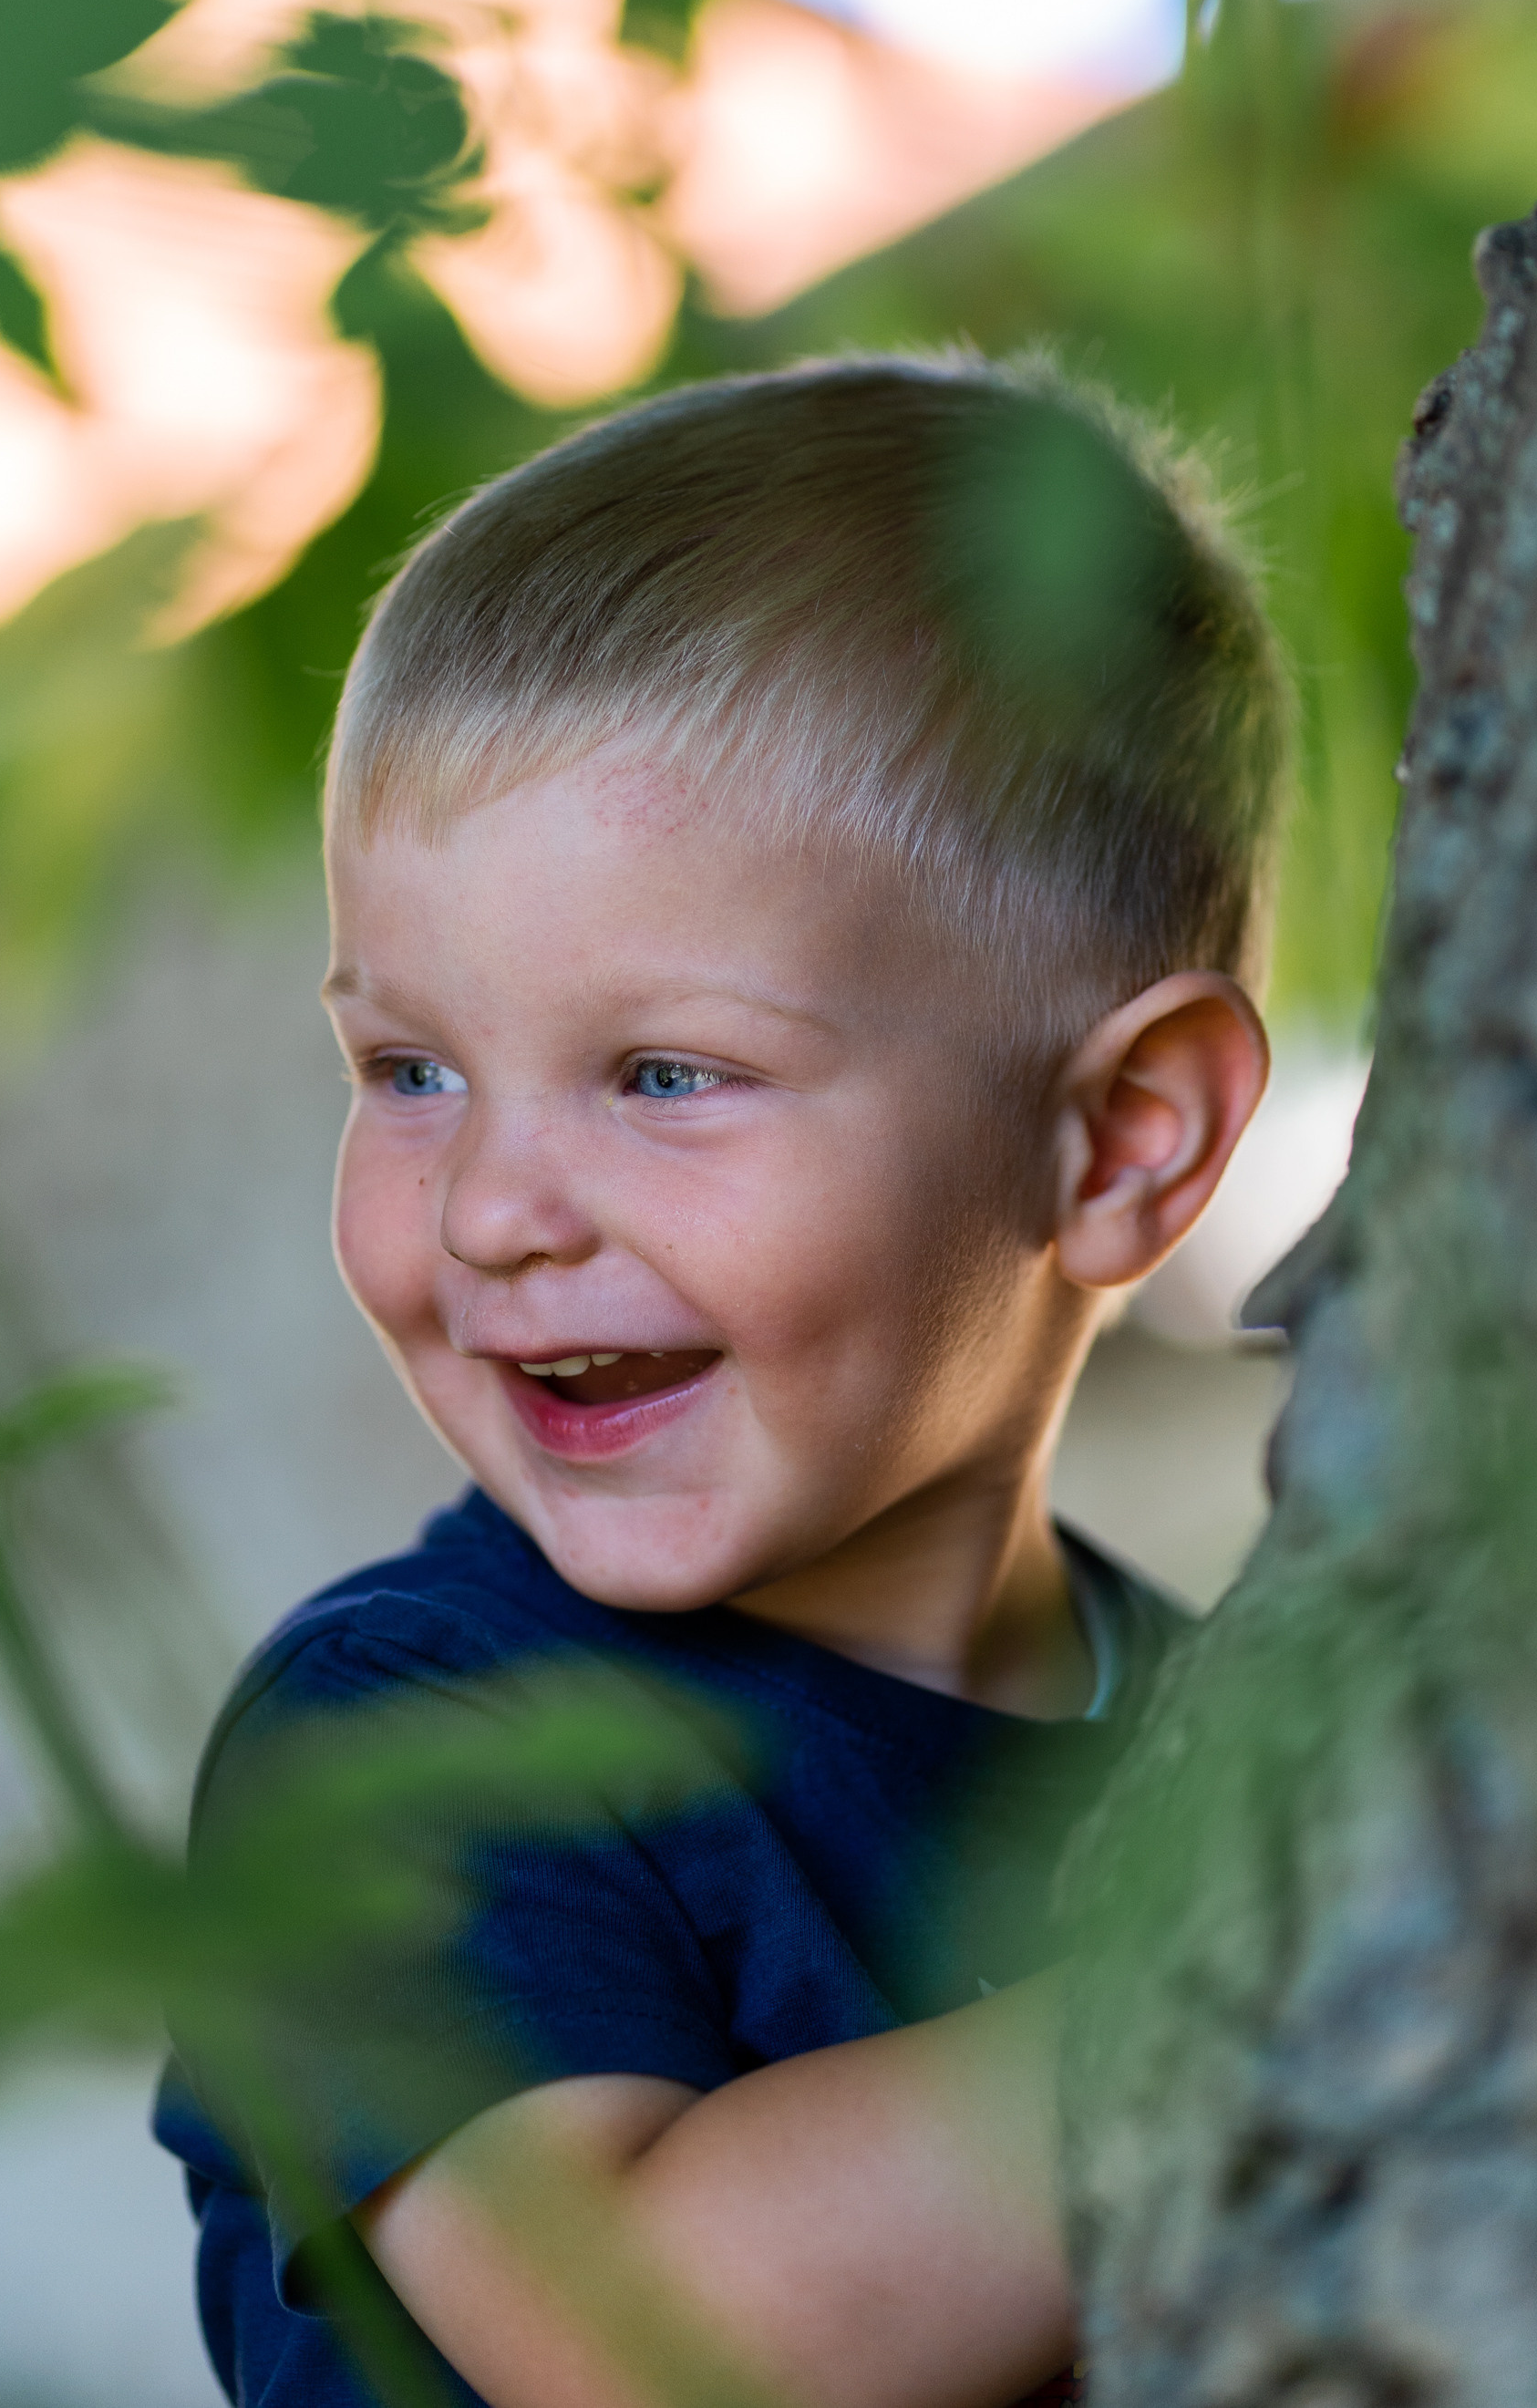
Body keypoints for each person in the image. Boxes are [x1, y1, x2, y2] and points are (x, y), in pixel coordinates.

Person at [155, 351, 1292, 2408]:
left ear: (1120, 1138)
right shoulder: (406, 1739)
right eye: (406, 1069)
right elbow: (660, 2340)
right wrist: (1325, 1927)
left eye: (664, 1073)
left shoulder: (1226, 1711)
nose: (492, 1206)